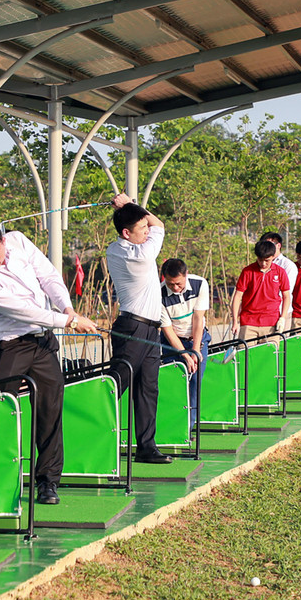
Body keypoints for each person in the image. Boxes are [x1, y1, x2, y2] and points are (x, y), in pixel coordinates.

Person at [0, 221, 97, 505]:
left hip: (43, 342)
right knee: (0, 408)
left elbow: (48, 275)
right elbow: (24, 311)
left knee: (50, 411)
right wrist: (69, 321)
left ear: (2, 242)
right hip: (11, 345)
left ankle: (48, 482)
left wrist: (67, 307)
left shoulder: (18, 240)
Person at [105, 194, 173, 464]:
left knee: (147, 388)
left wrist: (130, 208)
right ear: (126, 233)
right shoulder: (140, 253)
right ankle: (90, 436)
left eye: (146, 228)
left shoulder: (122, 246)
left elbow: (154, 225)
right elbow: (160, 225)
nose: (147, 231)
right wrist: (129, 204)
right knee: (115, 384)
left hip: (150, 330)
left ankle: (146, 446)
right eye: (141, 229)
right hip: (132, 328)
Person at [158, 257, 210, 418]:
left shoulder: (200, 284)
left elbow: (198, 318)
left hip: (197, 337)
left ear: (186, 274)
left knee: (195, 382)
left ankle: (189, 426)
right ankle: (174, 424)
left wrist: (195, 350)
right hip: (172, 341)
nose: (175, 288)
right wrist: (185, 355)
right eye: (170, 283)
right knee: (175, 382)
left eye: (178, 284)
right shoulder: (158, 294)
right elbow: (167, 329)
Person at [229, 240, 292, 341]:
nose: (263, 263)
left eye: (267, 260)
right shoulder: (247, 271)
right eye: (260, 260)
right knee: (246, 355)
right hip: (249, 322)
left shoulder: (280, 272)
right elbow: (238, 296)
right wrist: (235, 321)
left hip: (271, 322)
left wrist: (283, 318)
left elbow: (286, 296)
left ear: (272, 257)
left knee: (270, 355)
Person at [260, 231, 298, 297]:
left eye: (270, 245)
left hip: (280, 306)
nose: (266, 248)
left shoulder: (288, 265)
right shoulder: (259, 264)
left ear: (278, 245)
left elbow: (286, 291)